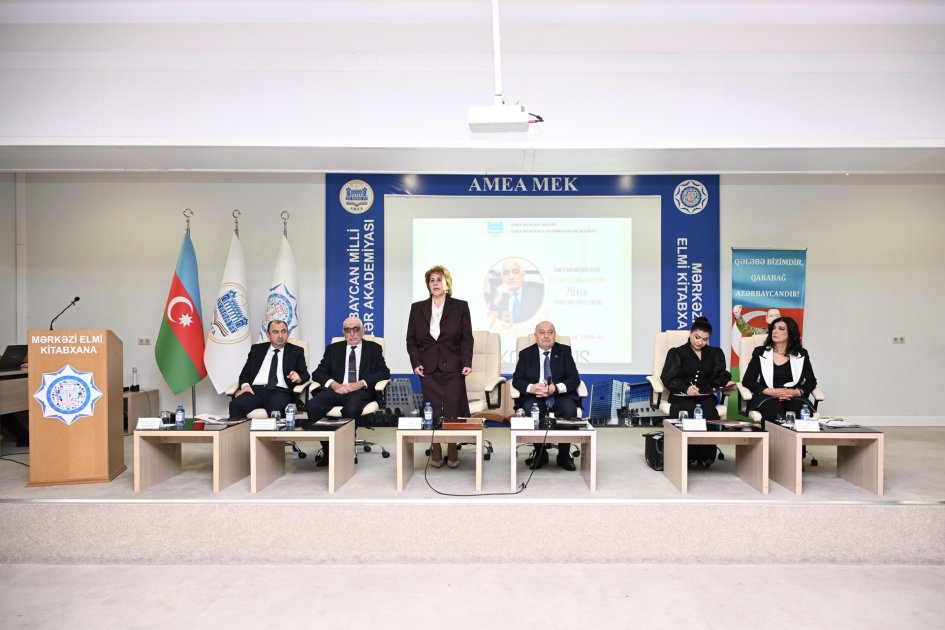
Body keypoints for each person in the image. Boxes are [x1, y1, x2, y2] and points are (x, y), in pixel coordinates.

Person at [406, 265, 474, 468]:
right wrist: (416, 363)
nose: (435, 283)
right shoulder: (417, 308)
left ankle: (452, 447)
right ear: (428, 285)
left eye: (439, 279)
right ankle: (435, 447)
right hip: (427, 365)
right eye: (431, 280)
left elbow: (466, 338)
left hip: (453, 364)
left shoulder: (460, 306)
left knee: (453, 407)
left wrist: (467, 362)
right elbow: (411, 339)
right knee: (432, 408)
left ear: (447, 283)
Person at [304, 316, 390, 467]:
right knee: (313, 406)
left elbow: (383, 372)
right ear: (343, 332)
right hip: (336, 390)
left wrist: (360, 383)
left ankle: (346, 450)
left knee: (351, 409)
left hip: (360, 391)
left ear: (362, 330)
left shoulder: (373, 348)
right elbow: (318, 373)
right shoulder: (333, 349)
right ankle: (328, 450)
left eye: (356, 329)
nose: (352, 333)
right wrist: (334, 384)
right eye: (348, 330)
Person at [511, 321, 582, 471]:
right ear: (536, 336)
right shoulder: (526, 354)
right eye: (542, 332)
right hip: (535, 396)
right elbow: (517, 379)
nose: (546, 336)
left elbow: (574, 378)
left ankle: (564, 455)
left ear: (555, 335)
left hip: (559, 395)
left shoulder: (564, 351)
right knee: (530, 410)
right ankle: (540, 453)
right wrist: (532, 388)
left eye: (550, 332)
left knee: (569, 409)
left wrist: (555, 388)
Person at [740, 316, 818, 420]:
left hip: (793, 396)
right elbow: (748, 381)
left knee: (800, 412)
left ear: (791, 333)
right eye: (774, 328)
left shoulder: (801, 353)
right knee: (774, 413)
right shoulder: (760, 352)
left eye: (781, 329)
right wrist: (771, 391)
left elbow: (811, 381)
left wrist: (796, 392)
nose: (775, 331)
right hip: (767, 396)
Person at [229, 319, 307, 420]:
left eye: (284, 331)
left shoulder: (296, 351)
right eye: (275, 332)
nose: (280, 336)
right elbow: (245, 373)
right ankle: (238, 431)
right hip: (255, 391)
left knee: (276, 407)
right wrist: (246, 386)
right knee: (236, 405)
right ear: (268, 335)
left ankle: (274, 431)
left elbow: (305, 374)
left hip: (280, 392)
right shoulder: (256, 349)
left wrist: (298, 377)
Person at [660, 317, 733, 421]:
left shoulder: (715, 353)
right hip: (681, 395)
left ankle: (709, 432)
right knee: (687, 407)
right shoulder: (677, 353)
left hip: (705, 395)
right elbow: (668, 377)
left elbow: (719, 374)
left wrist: (727, 382)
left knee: (708, 409)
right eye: (697, 337)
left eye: (705, 339)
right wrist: (686, 388)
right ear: (690, 333)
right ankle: (684, 432)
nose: (700, 342)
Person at [486, 258, 544, 323]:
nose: (511, 277)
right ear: (501, 277)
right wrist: (497, 300)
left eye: (515, 272)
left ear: (523, 275)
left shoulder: (537, 292)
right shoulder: (497, 293)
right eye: (506, 273)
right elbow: (491, 321)